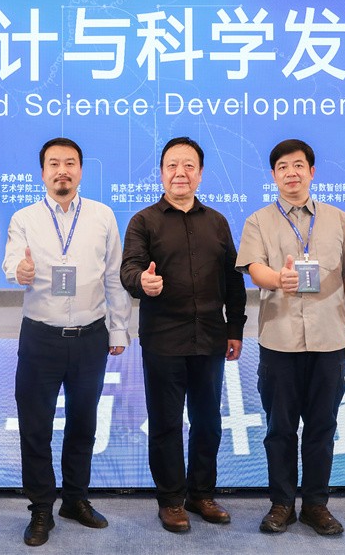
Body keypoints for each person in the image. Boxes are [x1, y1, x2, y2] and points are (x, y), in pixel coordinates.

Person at [2, 138, 131, 547]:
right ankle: (41, 508)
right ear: (43, 172)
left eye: (70, 163)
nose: (63, 170)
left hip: (91, 336)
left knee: (83, 423)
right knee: (35, 427)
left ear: (80, 170)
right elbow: (11, 262)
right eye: (54, 163)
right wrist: (19, 271)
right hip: (40, 337)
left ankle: (75, 499)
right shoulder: (24, 217)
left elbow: (114, 277)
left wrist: (119, 328)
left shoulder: (102, 215)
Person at [236, 139, 345, 535]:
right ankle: (281, 504)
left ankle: (315, 505)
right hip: (280, 340)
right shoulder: (259, 220)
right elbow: (254, 268)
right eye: (282, 167)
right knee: (280, 428)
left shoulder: (339, 219)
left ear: (311, 171)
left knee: (322, 427)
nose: (291, 173)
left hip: (330, 340)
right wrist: (279, 279)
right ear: (273, 176)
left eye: (298, 165)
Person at [120, 137, 247, 533]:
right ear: (161, 173)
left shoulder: (217, 222)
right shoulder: (143, 221)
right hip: (163, 339)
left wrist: (235, 328)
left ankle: (201, 494)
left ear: (200, 173)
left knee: (208, 422)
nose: (180, 173)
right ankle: (171, 500)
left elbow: (233, 280)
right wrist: (142, 281)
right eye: (172, 165)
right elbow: (129, 269)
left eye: (189, 165)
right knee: (166, 424)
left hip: (209, 337)